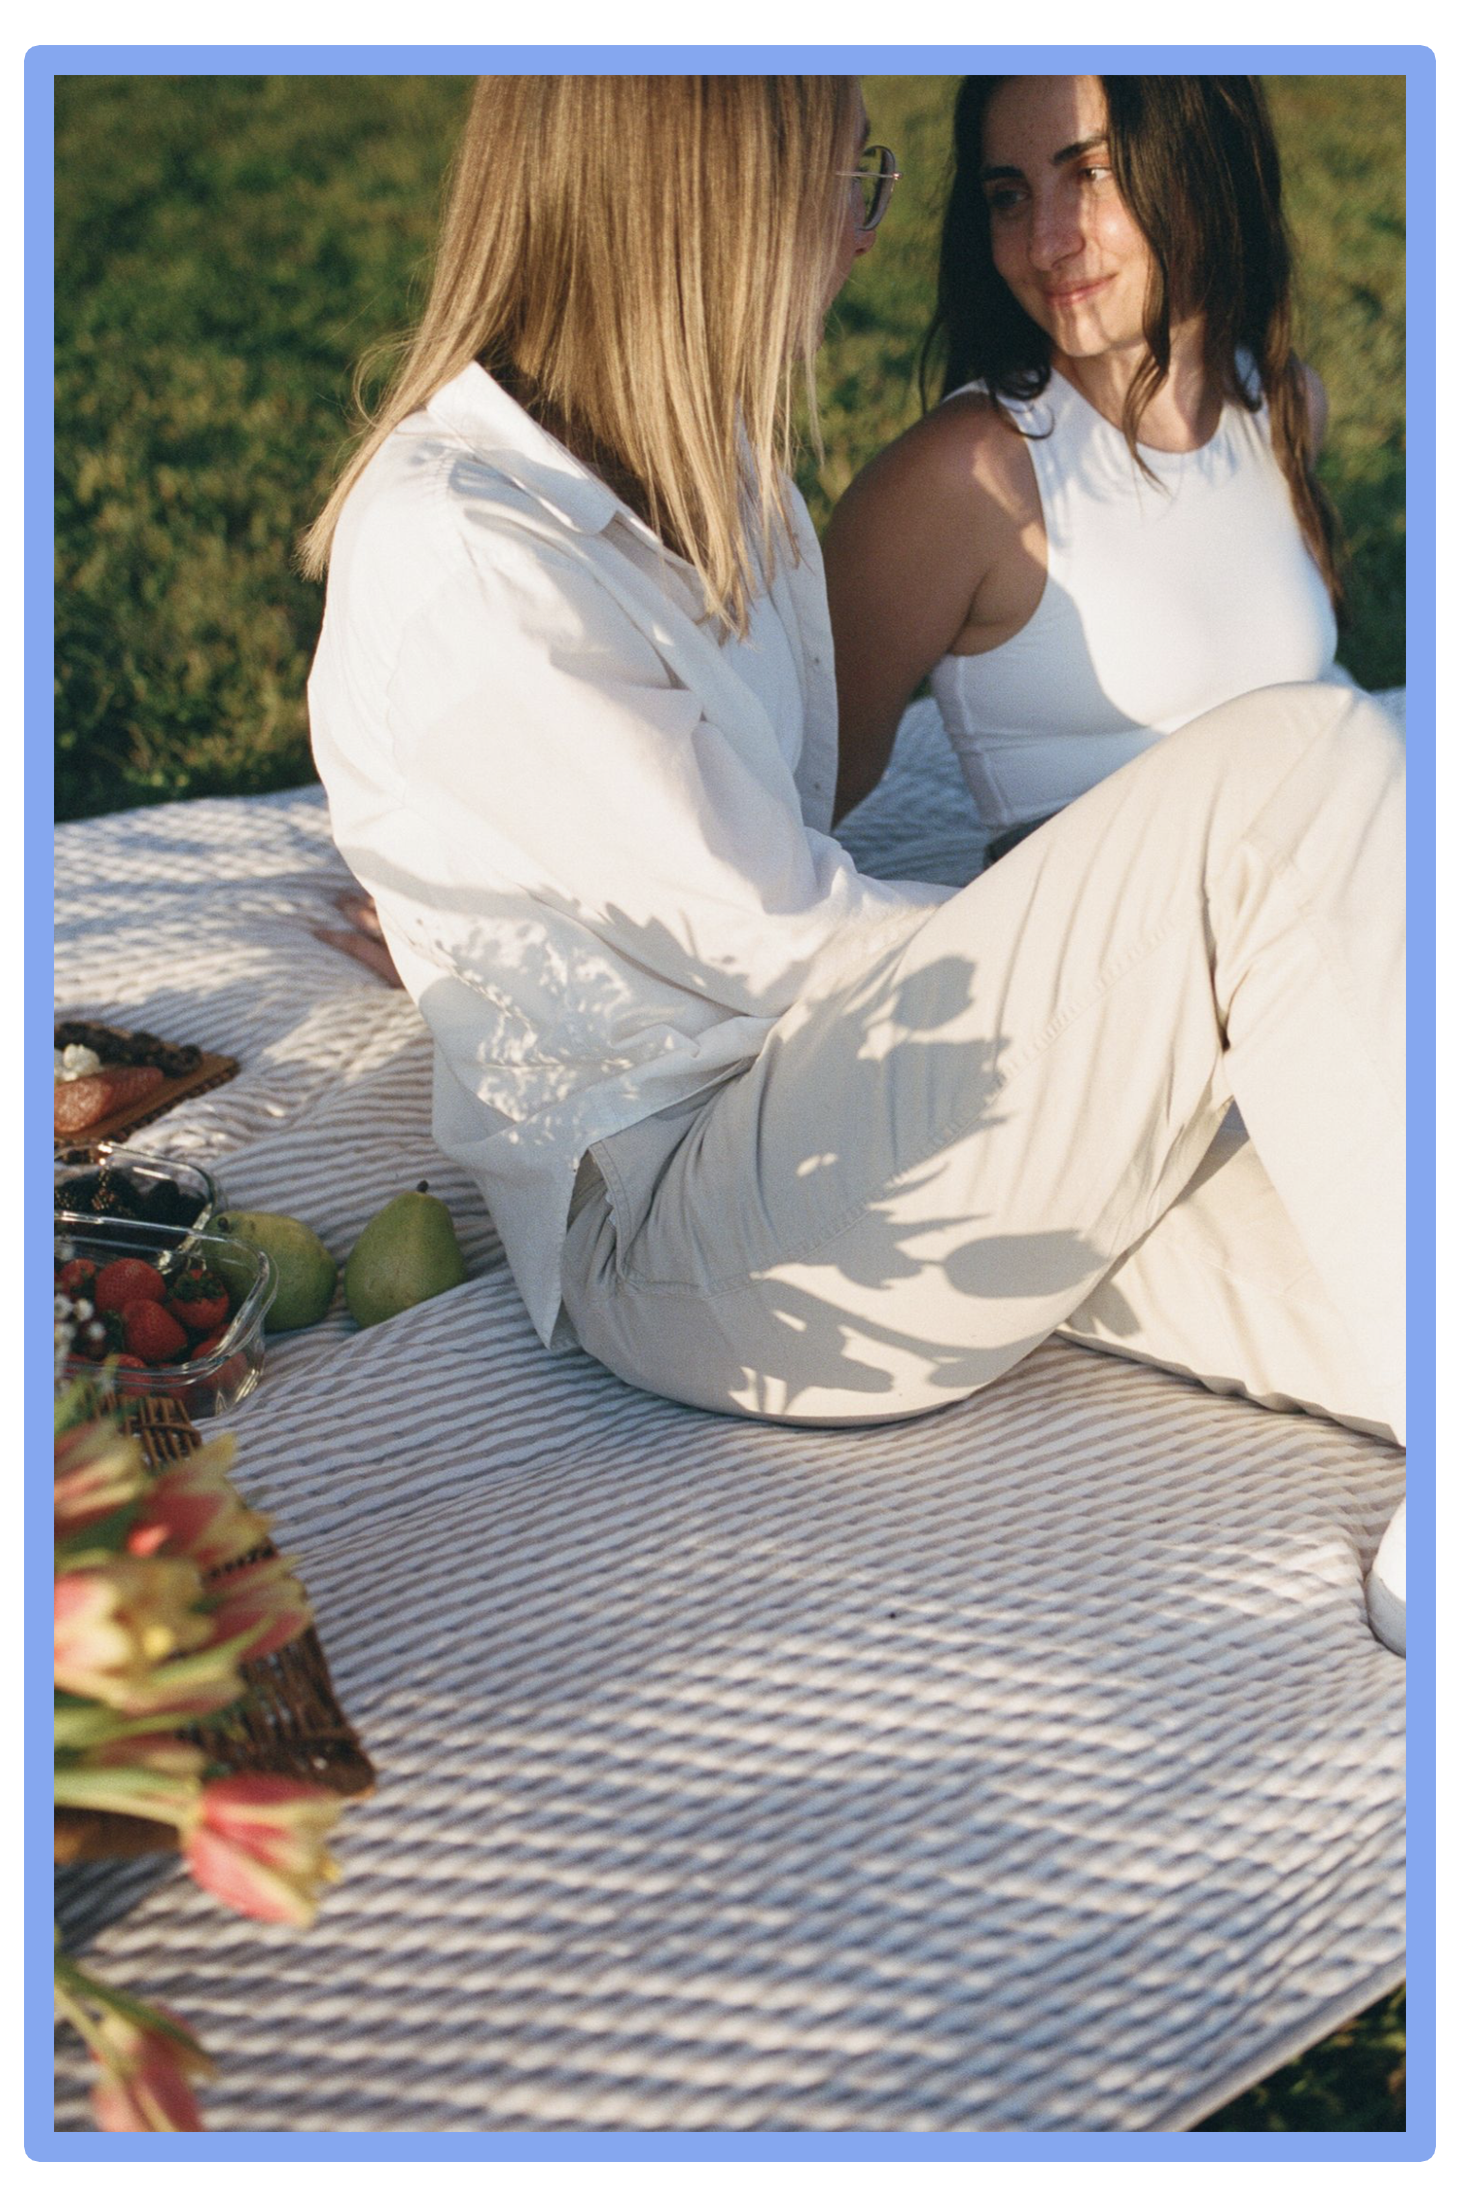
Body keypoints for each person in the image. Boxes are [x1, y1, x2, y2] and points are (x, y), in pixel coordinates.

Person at [304, 76, 1404, 1654]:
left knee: (1369, 1221)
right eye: (843, 188)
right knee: (1297, 771)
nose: (859, 238)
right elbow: (778, 934)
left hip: (838, 1114)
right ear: (706, 208)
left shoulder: (712, 477)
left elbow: (763, 823)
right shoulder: (468, 547)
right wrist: (1144, 959)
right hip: (698, 1224)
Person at [824, 75, 1361, 851]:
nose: (1046, 242)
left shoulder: (1282, 407)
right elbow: (796, 796)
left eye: (1092, 175)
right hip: (1114, 953)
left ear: (1211, 170)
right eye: (1009, 196)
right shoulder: (963, 483)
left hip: (1305, 883)